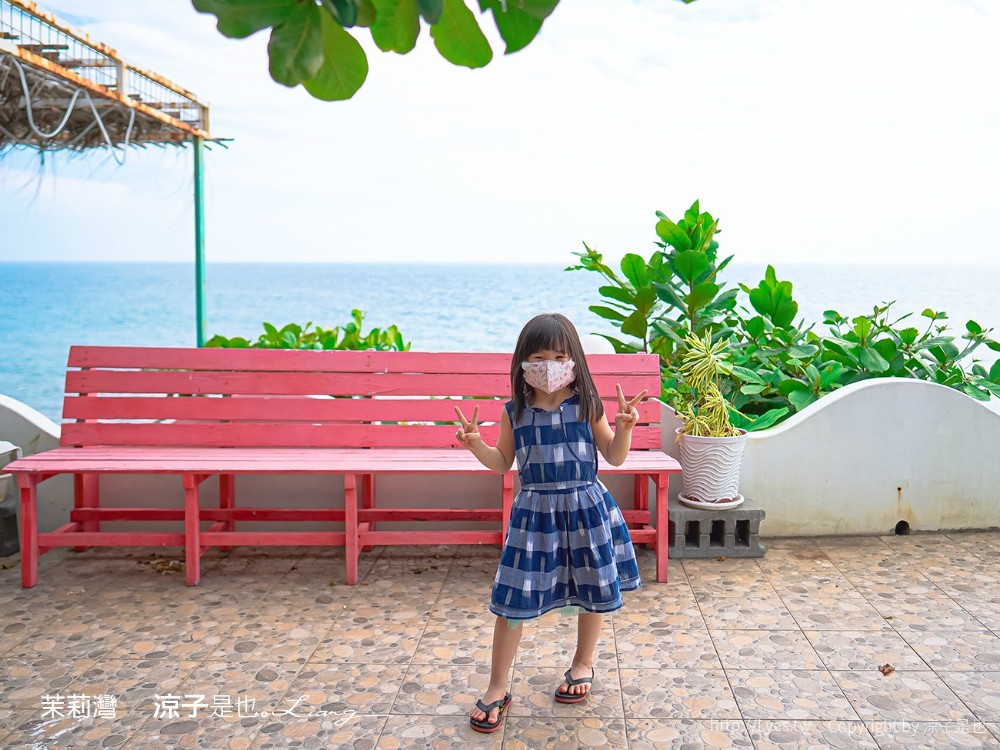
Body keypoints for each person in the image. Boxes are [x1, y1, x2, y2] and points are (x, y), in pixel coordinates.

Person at [454, 312, 647, 733]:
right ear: (522, 363)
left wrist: (624, 427)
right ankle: (497, 685)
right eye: (538, 356)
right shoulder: (515, 413)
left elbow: (613, 456)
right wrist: (476, 446)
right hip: (535, 516)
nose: (548, 364)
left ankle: (583, 663)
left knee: (591, 587)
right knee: (512, 603)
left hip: (585, 509)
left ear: (574, 360)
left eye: (559, 355)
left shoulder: (587, 406)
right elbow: (503, 462)